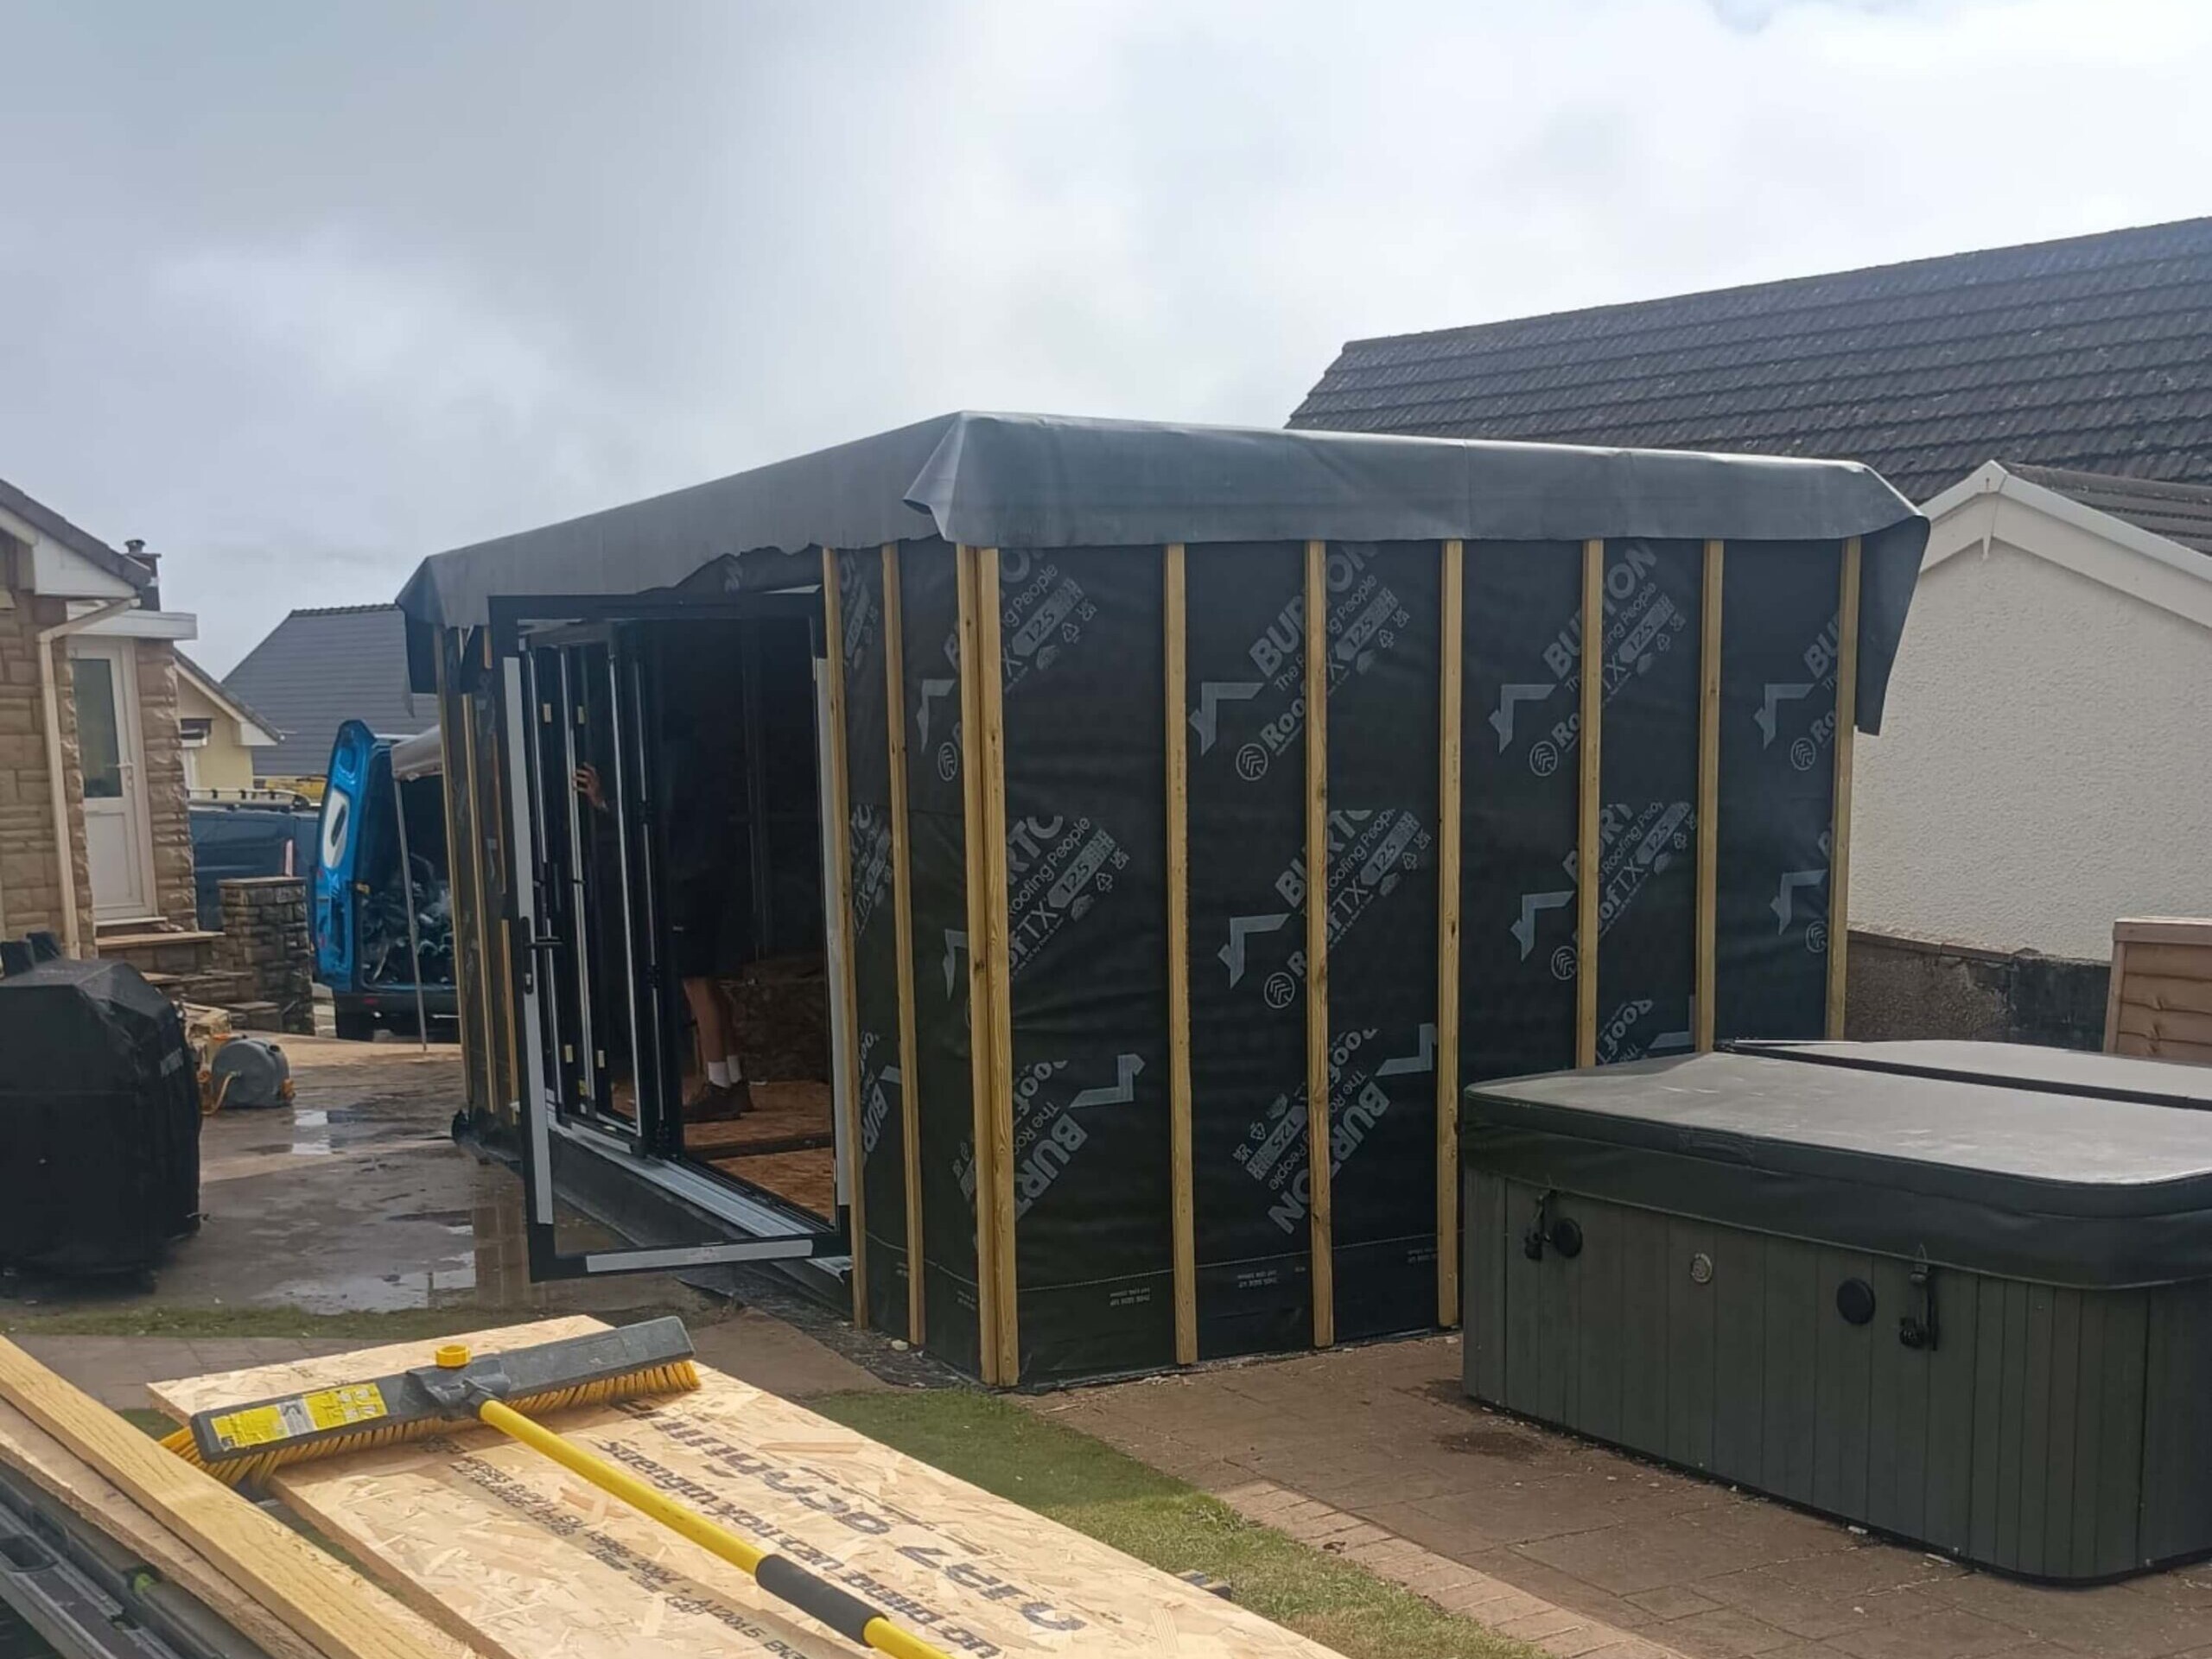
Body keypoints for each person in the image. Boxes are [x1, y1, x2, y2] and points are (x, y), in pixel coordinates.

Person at [576, 754, 752, 1116]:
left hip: (686, 883)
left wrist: (605, 803)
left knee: (696, 983)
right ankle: (732, 1080)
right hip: (706, 878)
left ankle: (719, 1086)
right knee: (708, 982)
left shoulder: (670, 762)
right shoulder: (700, 762)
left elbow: (655, 819)